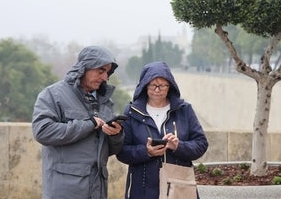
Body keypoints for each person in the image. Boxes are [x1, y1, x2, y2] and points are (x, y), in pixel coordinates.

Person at [32, 45, 124, 199]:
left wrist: (115, 135)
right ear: (84, 68)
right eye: (100, 71)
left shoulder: (106, 102)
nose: (104, 77)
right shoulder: (52, 94)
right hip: (64, 190)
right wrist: (88, 124)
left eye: (107, 73)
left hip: (98, 190)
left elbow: (110, 150)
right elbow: (42, 132)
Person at [117, 61, 208, 199]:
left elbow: (201, 144)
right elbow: (122, 152)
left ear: (170, 86)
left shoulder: (184, 110)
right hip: (142, 189)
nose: (157, 90)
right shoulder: (131, 112)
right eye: (153, 85)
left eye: (162, 85)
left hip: (178, 188)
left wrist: (178, 146)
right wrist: (146, 151)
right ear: (145, 85)